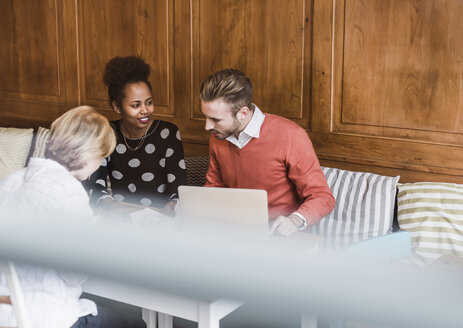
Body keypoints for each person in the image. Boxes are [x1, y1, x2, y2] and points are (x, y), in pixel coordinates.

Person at [0, 106, 144, 327]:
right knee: (134, 321)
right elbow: (74, 274)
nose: (99, 164)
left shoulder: (10, 181)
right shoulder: (68, 191)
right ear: (91, 155)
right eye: (102, 157)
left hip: (7, 314)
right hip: (46, 317)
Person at [200, 68, 335, 237]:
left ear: (243, 113)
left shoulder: (291, 136)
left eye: (215, 120)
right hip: (235, 233)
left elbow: (322, 197)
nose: (207, 126)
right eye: (206, 116)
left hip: (280, 237)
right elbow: (215, 188)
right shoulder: (219, 135)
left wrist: (294, 221)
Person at [85, 56, 187, 217]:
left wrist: (172, 206)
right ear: (117, 106)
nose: (145, 110)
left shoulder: (168, 133)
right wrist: (112, 207)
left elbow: (179, 189)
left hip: (159, 217)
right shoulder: (107, 132)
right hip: (120, 217)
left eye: (149, 102)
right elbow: (96, 186)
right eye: (135, 105)